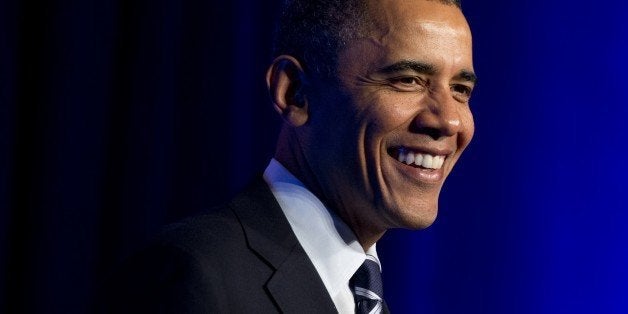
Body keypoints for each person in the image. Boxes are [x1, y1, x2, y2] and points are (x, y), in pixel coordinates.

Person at [102, 0, 476, 313]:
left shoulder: (363, 294)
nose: (449, 119)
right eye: (407, 79)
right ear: (294, 92)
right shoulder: (194, 276)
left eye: (460, 89)